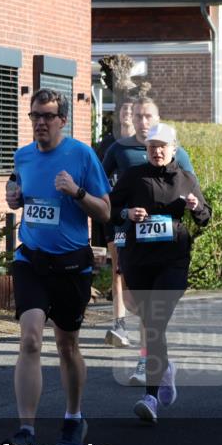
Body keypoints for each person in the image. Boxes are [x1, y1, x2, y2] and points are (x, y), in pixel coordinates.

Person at [4, 88, 111, 445]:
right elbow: (20, 193)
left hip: (71, 265)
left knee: (67, 345)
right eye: (35, 116)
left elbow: (105, 211)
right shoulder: (22, 156)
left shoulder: (82, 155)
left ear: (62, 120)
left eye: (48, 116)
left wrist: (77, 193)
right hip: (31, 260)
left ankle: (73, 416)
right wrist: (14, 198)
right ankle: (26, 431)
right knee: (30, 338)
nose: (40, 123)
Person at [109, 123, 211, 422]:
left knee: (154, 321)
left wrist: (195, 207)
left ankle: (150, 397)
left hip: (173, 261)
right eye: (152, 146)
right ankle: (165, 369)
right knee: (151, 322)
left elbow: (205, 216)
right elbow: (109, 208)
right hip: (138, 260)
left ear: (173, 149)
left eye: (162, 146)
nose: (157, 151)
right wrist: (127, 214)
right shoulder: (133, 177)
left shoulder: (186, 179)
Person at [102, 97, 197, 385]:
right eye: (139, 116)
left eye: (148, 116)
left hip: (167, 246)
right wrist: (125, 210)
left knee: (152, 311)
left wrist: (193, 204)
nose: (143, 121)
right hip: (129, 231)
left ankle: (147, 361)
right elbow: (102, 186)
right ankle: (130, 332)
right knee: (130, 295)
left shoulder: (175, 156)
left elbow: (192, 187)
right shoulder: (120, 149)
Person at [95, 98, 134, 348]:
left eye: (132, 110)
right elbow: (98, 178)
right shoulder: (108, 146)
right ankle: (119, 323)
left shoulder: (147, 145)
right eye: (124, 110)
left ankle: (145, 319)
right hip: (116, 217)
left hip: (142, 219)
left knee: (136, 273)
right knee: (119, 268)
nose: (128, 114)